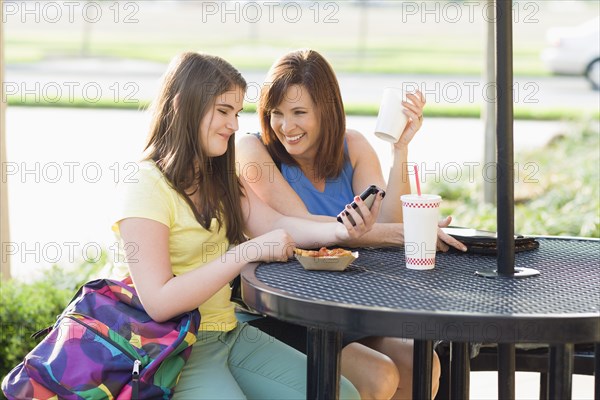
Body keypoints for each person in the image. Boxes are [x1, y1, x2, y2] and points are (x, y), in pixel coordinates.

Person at [111, 51, 383, 399]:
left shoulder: (217, 178)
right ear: (183, 105)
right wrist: (246, 251)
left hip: (228, 333)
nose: (235, 125)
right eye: (223, 111)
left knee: (340, 394)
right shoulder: (146, 185)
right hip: (174, 346)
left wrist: (342, 231)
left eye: (237, 113)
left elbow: (279, 223)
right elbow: (160, 302)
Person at [236, 49, 466, 399]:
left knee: (422, 363)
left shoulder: (353, 145)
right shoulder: (253, 150)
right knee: (378, 375)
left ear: (326, 111)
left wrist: (400, 150)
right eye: (277, 113)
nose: (285, 126)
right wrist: (408, 235)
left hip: (346, 307)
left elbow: (387, 219)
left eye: (299, 113)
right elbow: (305, 229)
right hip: (283, 309)